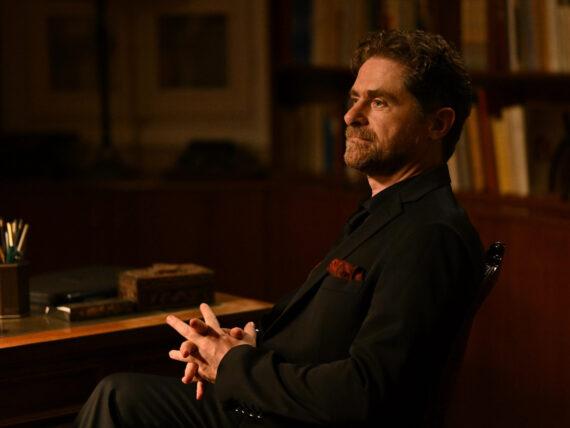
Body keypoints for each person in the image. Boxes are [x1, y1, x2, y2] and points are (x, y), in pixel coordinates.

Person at [76, 29, 483, 428]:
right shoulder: (385, 213)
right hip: (275, 401)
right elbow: (327, 335)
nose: (350, 116)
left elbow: (366, 392)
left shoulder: (430, 234)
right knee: (120, 395)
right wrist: (238, 345)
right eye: (354, 98)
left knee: (117, 399)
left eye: (378, 103)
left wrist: (234, 365)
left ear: (438, 124)